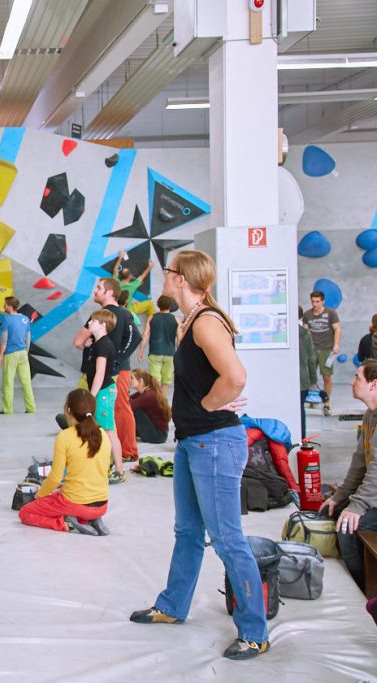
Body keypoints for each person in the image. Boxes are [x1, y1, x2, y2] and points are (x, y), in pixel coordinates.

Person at [130, 250, 269, 662]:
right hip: (193, 441)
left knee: (228, 541)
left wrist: (209, 405)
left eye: (168, 271)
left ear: (181, 279)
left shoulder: (207, 322)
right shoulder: (189, 320)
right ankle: (172, 606)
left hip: (215, 442)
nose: (164, 275)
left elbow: (236, 377)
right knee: (188, 531)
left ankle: (254, 632)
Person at [318, 359, 377, 593]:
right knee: (329, 509)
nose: (351, 382)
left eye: (357, 378)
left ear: (373, 384)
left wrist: (357, 505)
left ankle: (362, 591)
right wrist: (339, 497)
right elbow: (360, 463)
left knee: (347, 527)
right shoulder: (369, 415)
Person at [18, 388, 111, 535]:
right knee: (62, 495)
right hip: (102, 505)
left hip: (76, 504)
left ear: (68, 409)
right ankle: (91, 518)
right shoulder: (103, 435)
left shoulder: (65, 437)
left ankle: (65, 523)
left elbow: (55, 478)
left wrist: (39, 495)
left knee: (25, 512)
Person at [73, 277, 141, 463]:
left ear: (110, 292)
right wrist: (118, 359)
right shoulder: (125, 313)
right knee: (118, 412)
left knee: (102, 416)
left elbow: (77, 341)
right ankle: (124, 453)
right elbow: (135, 338)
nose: (95, 290)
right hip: (117, 371)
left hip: (103, 374)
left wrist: (88, 345)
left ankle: (111, 457)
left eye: (99, 287)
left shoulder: (99, 315)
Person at [81, 309, 124, 481]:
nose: (89, 323)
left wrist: (92, 396)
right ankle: (104, 465)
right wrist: (86, 347)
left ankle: (119, 471)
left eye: (92, 321)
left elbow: (100, 373)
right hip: (102, 391)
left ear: (103, 325)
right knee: (102, 430)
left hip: (104, 392)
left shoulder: (103, 345)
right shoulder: (97, 344)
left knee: (108, 431)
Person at [302, 290, 342, 416]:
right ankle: (312, 399)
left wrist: (336, 345)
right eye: (313, 301)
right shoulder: (307, 315)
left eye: (317, 301)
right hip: (312, 349)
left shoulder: (331, 313)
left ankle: (326, 403)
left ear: (322, 301)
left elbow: (337, 329)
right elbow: (305, 333)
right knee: (311, 377)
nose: (315, 304)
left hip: (327, 349)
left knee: (327, 376)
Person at [0, 297, 35, 414]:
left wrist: (0, 355)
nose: (4, 306)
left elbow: (4, 339)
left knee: (8, 383)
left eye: (5, 304)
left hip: (10, 354)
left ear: (9, 306)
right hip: (23, 353)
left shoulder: (6, 320)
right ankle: (31, 408)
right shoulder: (25, 319)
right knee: (26, 382)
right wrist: (26, 352)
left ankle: (7, 410)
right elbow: (28, 338)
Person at [139, 295, 179, 395]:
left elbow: (144, 335)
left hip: (155, 352)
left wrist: (141, 351)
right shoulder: (176, 320)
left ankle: (156, 402)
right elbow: (180, 339)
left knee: (155, 381)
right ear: (170, 306)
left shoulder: (152, 317)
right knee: (166, 381)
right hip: (170, 354)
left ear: (158, 305)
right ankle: (162, 402)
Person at [298, 305, 325, 441]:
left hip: (284, 380)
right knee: (300, 410)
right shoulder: (304, 334)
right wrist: (313, 380)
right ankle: (301, 437)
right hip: (301, 380)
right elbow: (311, 359)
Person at [130, 369, 171, 444]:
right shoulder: (144, 393)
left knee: (135, 411)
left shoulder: (148, 395)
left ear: (141, 381)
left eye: (132, 378)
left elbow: (129, 406)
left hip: (158, 436)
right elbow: (128, 399)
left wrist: (124, 389)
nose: (129, 380)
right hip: (157, 433)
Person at [113, 248, 155, 318]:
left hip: (116, 310)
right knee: (149, 303)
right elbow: (142, 276)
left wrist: (120, 257)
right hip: (128, 310)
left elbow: (115, 270)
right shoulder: (132, 285)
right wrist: (149, 267)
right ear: (130, 277)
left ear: (120, 276)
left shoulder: (116, 282)